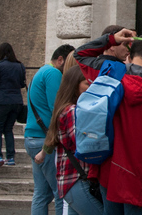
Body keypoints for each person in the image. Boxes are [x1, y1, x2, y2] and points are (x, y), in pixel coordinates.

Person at [76, 29, 142, 215]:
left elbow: (80, 54)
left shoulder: (107, 75)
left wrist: (111, 39)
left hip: (108, 171)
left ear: (131, 56)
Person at [36, 65, 102, 215]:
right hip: (78, 178)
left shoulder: (65, 109)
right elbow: (84, 144)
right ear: (74, 85)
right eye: (87, 83)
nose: (91, 86)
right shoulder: (72, 111)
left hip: (71, 180)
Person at [25, 43, 75, 215]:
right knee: (60, 192)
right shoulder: (53, 73)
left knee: (41, 193)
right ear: (60, 60)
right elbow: (58, 108)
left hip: (32, 138)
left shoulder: (40, 72)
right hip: (44, 139)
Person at [0, 42, 27, 171]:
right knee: (8, 129)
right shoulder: (20, 66)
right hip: (16, 101)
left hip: (2, 101)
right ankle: (11, 157)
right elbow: (22, 84)